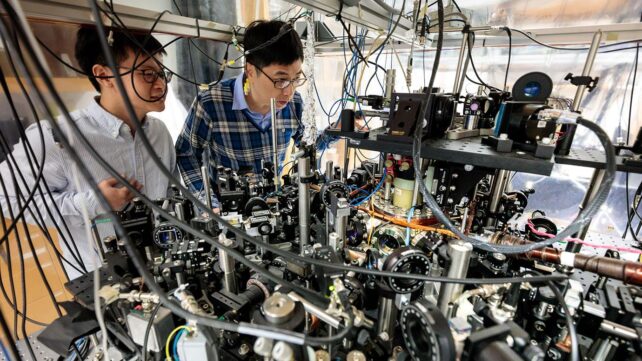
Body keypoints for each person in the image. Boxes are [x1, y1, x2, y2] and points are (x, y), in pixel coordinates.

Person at [0, 26, 176, 280]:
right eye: (148, 74)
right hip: (102, 285)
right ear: (104, 76)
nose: (161, 84)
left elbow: (170, 196)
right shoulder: (55, 136)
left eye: (163, 74)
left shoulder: (158, 132)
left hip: (166, 272)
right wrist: (93, 203)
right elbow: (7, 199)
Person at [175, 20, 336, 210]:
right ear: (250, 70)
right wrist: (208, 202)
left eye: (296, 79)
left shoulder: (294, 104)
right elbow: (186, 153)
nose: (289, 91)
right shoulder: (212, 103)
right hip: (229, 212)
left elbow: (309, 145)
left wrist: (337, 131)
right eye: (281, 80)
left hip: (273, 207)